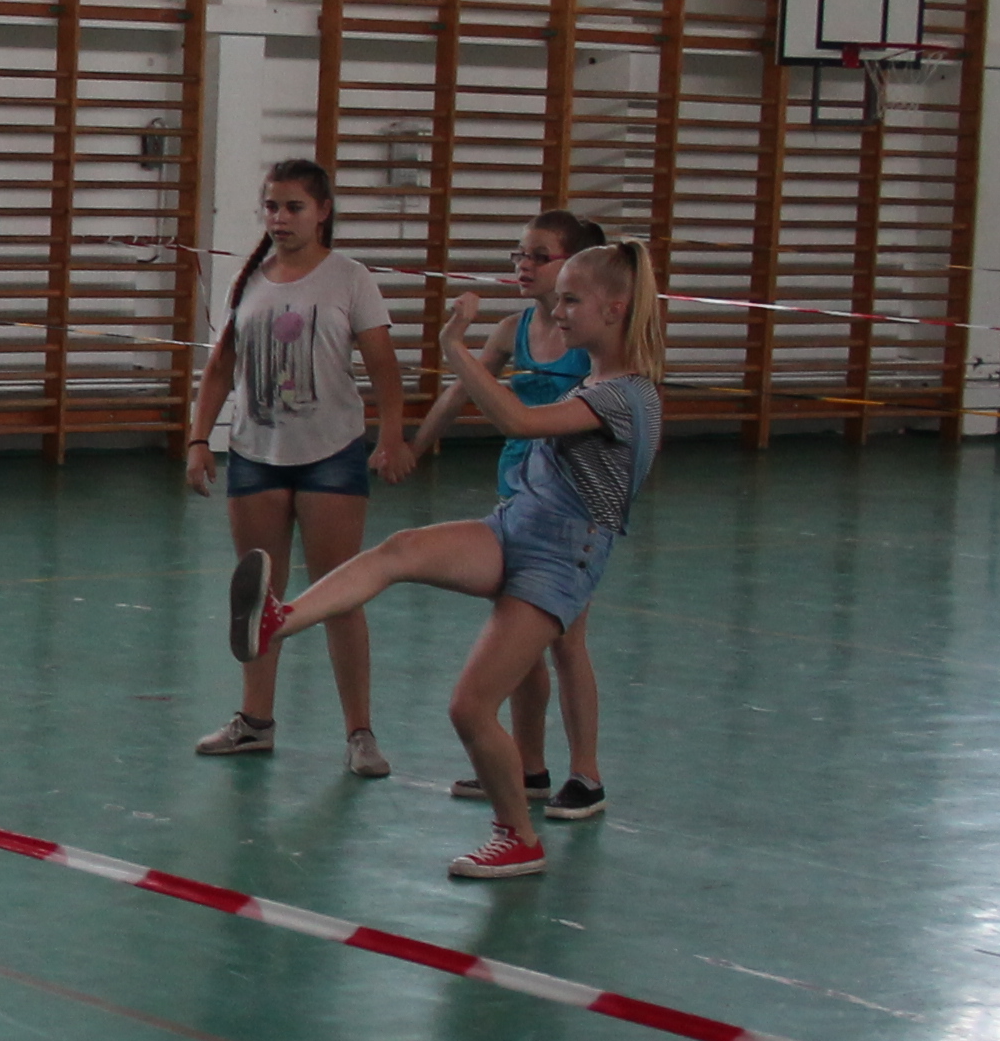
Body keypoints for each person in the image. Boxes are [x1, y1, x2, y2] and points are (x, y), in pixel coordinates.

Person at [230, 242, 668, 881]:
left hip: (559, 557)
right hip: (514, 526)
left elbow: (518, 421)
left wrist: (455, 349)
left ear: (616, 308)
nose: (559, 311)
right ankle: (278, 620)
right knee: (399, 549)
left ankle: (518, 837)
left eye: (572, 300)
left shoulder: (628, 396)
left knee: (469, 707)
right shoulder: (595, 383)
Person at [183, 159, 406, 776]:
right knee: (259, 593)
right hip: (256, 456)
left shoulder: (350, 279)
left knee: (340, 594)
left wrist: (391, 436)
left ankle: (360, 732)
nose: (280, 218)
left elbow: (384, 367)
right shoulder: (248, 280)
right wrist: (199, 439)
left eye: (294, 207)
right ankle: (254, 721)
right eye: (272, 207)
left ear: (323, 212)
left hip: (331, 455)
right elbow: (220, 368)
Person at [392, 208, 612, 824]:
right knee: (519, 644)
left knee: (567, 642)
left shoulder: (589, 343)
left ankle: (587, 775)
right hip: (518, 495)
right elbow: (461, 389)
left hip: (572, 508)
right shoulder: (512, 330)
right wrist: (415, 446)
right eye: (520, 253)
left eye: (539, 255)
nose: (523, 265)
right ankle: (529, 768)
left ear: (572, 267)